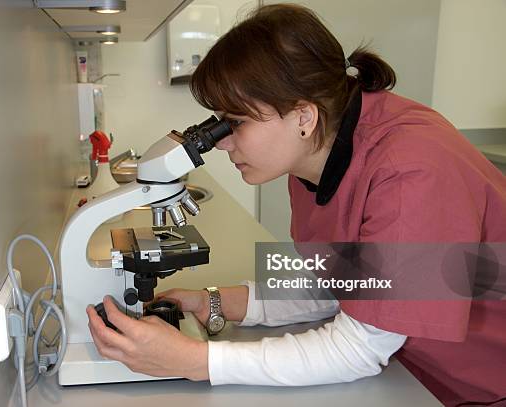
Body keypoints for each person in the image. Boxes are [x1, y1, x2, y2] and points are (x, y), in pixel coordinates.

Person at [86, 4, 506, 406]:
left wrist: (196, 361)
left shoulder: (410, 170)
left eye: (237, 123)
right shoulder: (314, 157)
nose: (223, 143)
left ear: (303, 116)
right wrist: (214, 301)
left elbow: (361, 345)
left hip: (486, 385)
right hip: (420, 378)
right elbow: (336, 281)